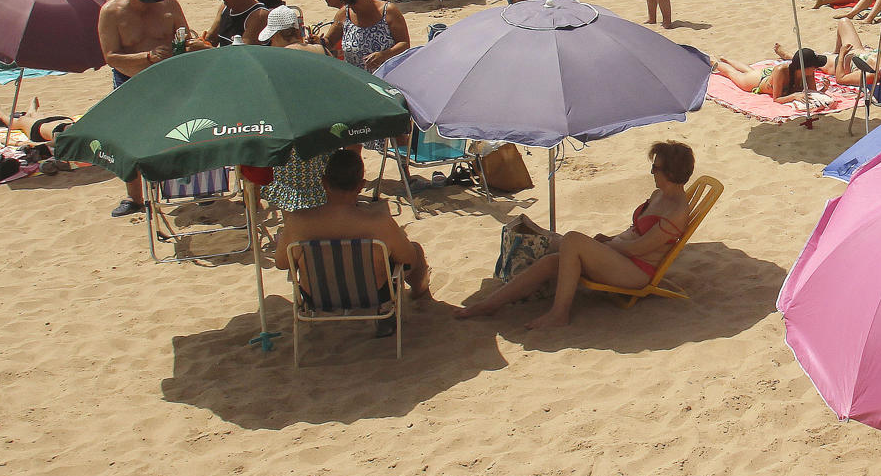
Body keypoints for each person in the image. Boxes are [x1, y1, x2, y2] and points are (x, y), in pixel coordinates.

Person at [455, 141, 696, 331]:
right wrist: (608, 239)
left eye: (656, 167)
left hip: (636, 271)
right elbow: (634, 233)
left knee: (572, 240)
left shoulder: (675, 211)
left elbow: (639, 249)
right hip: (623, 259)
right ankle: (489, 305)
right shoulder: (659, 195)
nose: (651, 171)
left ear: (671, 173)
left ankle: (559, 314)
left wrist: (605, 245)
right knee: (552, 261)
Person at [276, 149, 432, 315]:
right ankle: (420, 294)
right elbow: (408, 259)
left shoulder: (298, 222)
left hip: (317, 296)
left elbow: (282, 263)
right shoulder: (378, 223)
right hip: (373, 294)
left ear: (323, 182)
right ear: (360, 185)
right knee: (415, 250)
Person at [98, 0, 193, 217]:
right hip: (132, 79)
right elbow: (111, 57)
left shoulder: (168, 3)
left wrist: (185, 45)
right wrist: (147, 57)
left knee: (184, 132)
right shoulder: (112, 12)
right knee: (130, 140)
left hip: (170, 77)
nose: (151, 3)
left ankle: (194, 188)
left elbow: (185, 34)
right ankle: (135, 197)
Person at [325, 0, 408, 72]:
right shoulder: (344, 14)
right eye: (344, 1)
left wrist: (384, 55)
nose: (349, 5)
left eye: (352, 1)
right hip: (357, 78)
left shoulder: (388, 12)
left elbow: (404, 44)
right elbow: (329, 41)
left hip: (386, 76)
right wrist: (318, 41)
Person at [713, 48, 824, 100]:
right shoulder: (781, 71)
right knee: (733, 74)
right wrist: (794, 96)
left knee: (750, 71)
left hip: (769, 75)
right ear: (804, 68)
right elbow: (777, 98)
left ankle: (727, 59)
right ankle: (714, 62)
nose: (816, 68)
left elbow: (813, 93)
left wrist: (823, 90)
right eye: (814, 66)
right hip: (759, 82)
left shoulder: (809, 73)